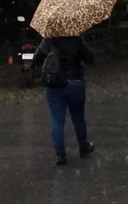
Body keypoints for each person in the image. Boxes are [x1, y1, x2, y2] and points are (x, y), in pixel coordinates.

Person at [33, 36, 96, 165]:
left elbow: (36, 60)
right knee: (78, 117)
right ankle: (83, 147)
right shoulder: (76, 39)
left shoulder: (48, 41)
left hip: (55, 84)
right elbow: (90, 58)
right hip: (75, 83)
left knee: (57, 119)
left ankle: (60, 154)